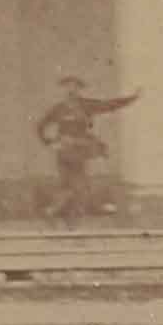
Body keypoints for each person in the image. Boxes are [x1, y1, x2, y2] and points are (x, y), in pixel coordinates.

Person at [34, 76, 140, 224]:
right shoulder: (58, 109)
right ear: (63, 89)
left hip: (81, 151)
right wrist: (50, 143)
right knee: (71, 186)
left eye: (75, 87)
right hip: (65, 151)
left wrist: (131, 99)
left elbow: (108, 105)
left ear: (79, 89)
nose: (71, 90)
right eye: (68, 86)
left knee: (78, 188)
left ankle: (59, 216)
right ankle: (55, 214)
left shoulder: (86, 105)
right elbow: (40, 126)